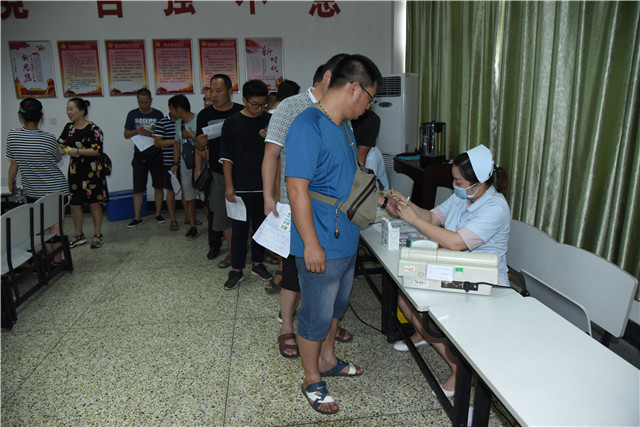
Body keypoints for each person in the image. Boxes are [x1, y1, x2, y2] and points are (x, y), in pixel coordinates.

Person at [285, 54, 382, 414]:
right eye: (370, 97)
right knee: (316, 313)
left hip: (345, 237)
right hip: (321, 239)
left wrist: (377, 199)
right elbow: (296, 188)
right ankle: (311, 378)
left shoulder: (344, 126)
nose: (368, 106)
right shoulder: (307, 125)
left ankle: (328, 358)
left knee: (337, 307)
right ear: (354, 87)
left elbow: (345, 179)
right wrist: (311, 244)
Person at [390, 144, 510, 398]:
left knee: (422, 304)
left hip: (485, 283)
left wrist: (414, 220)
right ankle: (426, 334)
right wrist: (407, 206)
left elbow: (457, 242)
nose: (454, 184)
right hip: (457, 269)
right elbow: (432, 217)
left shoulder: (495, 208)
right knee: (406, 298)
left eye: (458, 181)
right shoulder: (463, 196)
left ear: (479, 184)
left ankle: (458, 370)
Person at [263, 54, 358, 359]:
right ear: (329, 78)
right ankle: (287, 327)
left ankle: (324, 328)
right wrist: (269, 197)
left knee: (325, 279)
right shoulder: (293, 108)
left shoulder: (342, 115)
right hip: (294, 202)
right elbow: (271, 154)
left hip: (329, 210)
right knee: (293, 271)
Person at [219, 79, 273, 290]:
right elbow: (227, 157)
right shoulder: (232, 122)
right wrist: (229, 185)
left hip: (264, 187)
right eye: (255, 104)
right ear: (244, 100)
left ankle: (258, 264)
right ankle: (237, 269)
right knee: (239, 229)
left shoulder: (270, 120)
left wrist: (270, 140)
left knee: (261, 228)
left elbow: (280, 153)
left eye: (263, 104)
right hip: (240, 186)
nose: (259, 109)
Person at [6, 98, 70, 262]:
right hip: (57, 189)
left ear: (21, 115)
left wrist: (11, 183)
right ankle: (58, 260)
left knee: (42, 227)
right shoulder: (49, 138)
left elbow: (14, 164)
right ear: (41, 116)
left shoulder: (13, 136)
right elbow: (57, 159)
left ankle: (51, 258)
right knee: (56, 225)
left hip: (33, 191)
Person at [195, 74, 243, 266]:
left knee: (249, 214)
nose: (214, 95)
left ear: (230, 91)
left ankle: (259, 254)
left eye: (218, 91)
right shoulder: (204, 115)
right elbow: (198, 147)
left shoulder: (241, 112)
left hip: (242, 172)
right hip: (217, 172)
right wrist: (199, 143)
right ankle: (232, 253)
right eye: (211, 91)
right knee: (223, 215)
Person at [58, 98, 109, 249]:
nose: (68, 112)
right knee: (74, 203)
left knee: (94, 202)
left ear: (82, 111)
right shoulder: (69, 128)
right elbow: (59, 143)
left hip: (92, 171)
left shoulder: (94, 129)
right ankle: (78, 234)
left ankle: (97, 234)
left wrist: (77, 151)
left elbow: (97, 150)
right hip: (75, 171)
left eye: (71, 109)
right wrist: (62, 150)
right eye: (67, 109)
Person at [123, 88, 165, 228]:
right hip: (140, 155)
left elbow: (163, 134)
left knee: (158, 186)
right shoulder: (132, 114)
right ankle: (137, 217)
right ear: (138, 101)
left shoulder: (158, 114)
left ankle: (158, 214)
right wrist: (136, 132)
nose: (144, 105)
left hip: (156, 154)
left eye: (146, 102)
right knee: (138, 189)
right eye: (141, 102)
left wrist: (150, 134)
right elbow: (126, 134)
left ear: (151, 100)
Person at [169, 95, 199, 240]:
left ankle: (214, 228)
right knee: (189, 198)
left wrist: (194, 136)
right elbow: (177, 144)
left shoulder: (199, 119)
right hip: (185, 166)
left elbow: (207, 142)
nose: (171, 112)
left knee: (206, 199)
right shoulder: (178, 123)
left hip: (201, 166)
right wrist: (175, 163)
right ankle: (192, 226)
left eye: (171, 109)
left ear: (179, 108)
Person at [153, 107, 179, 231]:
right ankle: (173, 220)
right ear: (170, 108)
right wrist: (174, 141)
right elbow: (157, 143)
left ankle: (189, 218)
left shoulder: (183, 121)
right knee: (171, 190)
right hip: (169, 162)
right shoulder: (163, 122)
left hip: (185, 162)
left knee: (187, 191)